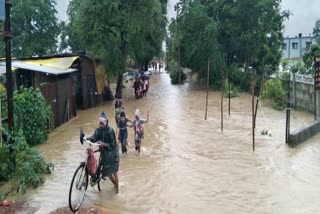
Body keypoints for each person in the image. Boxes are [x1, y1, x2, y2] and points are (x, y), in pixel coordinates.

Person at [87, 112, 119, 193]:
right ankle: (115, 184)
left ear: (106, 122)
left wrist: (103, 144)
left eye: (102, 123)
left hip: (113, 153)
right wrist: (86, 138)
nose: (101, 125)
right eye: (100, 123)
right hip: (105, 154)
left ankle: (117, 191)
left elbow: (112, 144)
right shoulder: (99, 129)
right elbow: (94, 137)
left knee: (114, 171)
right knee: (108, 173)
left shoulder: (110, 130)